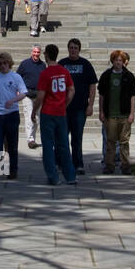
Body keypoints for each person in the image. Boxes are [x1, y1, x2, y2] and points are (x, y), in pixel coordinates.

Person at [0, 51, 30, 180]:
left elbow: (24, 93)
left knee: (12, 144)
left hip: (11, 114)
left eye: (5, 63)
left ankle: (13, 169)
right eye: (1, 64)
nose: (3, 65)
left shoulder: (15, 77)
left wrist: (13, 100)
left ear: (9, 63)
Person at [36, 43, 77, 186]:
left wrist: (35, 110)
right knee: (64, 145)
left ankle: (53, 177)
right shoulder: (64, 71)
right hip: (61, 112)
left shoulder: (45, 73)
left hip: (48, 112)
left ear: (46, 55)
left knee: (48, 146)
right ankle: (70, 176)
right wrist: (65, 103)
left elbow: (40, 96)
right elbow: (71, 90)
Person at [98, 49, 135, 174]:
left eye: (120, 60)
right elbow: (102, 95)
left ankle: (125, 165)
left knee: (124, 142)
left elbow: (133, 96)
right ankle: (109, 165)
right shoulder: (106, 75)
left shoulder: (129, 76)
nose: (118, 63)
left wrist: (132, 113)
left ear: (124, 62)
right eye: (116, 60)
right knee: (110, 141)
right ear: (112, 61)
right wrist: (101, 112)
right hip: (110, 114)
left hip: (124, 115)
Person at [60, 38, 97, 174]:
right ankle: (62, 163)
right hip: (64, 108)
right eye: (71, 47)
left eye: (75, 48)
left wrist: (90, 105)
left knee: (77, 137)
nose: (73, 50)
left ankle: (78, 164)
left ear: (79, 49)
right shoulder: (62, 64)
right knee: (62, 137)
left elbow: (92, 86)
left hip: (80, 108)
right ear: (68, 49)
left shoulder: (85, 64)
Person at [17, 44, 46, 147]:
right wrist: (18, 90)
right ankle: (30, 140)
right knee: (29, 117)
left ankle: (33, 137)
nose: (36, 54)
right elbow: (18, 77)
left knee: (37, 118)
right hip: (27, 94)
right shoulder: (24, 64)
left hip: (39, 95)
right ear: (31, 52)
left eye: (38, 52)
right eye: (34, 52)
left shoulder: (43, 65)